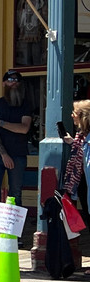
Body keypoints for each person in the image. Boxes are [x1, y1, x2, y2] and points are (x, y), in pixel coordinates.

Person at [0, 69, 34, 209]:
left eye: (17, 80)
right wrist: (4, 155)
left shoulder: (26, 104)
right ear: (3, 83)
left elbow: (24, 128)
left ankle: (14, 230)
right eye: (10, 80)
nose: (14, 83)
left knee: (15, 194)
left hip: (18, 154)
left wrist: (1, 123)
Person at [61, 99, 90, 232]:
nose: (72, 115)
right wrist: (73, 142)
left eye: (74, 113)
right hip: (83, 181)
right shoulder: (81, 137)